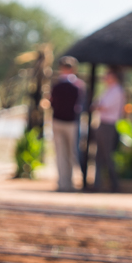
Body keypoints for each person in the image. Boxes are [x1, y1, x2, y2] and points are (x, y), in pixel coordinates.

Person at [50, 56, 86, 192]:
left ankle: (64, 183)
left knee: (65, 153)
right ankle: (66, 183)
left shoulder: (57, 85)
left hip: (62, 121)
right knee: (68, 153)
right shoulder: (78, 86)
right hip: (69, 122)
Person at [91, 67, 125, 192]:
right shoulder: (109, 90)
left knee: (107, 156)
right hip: (102, 123)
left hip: (108, 125)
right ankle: (97, 184)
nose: (105, 78)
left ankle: (114, 184)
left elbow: (102, 105)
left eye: (108, 75)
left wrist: (97, 106)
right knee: (99, 156)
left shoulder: (117, 91)